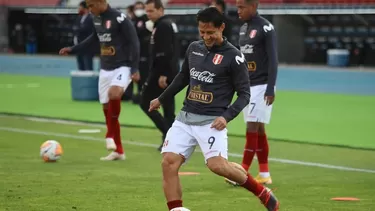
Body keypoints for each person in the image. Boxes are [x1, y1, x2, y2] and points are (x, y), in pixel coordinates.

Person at [148, 7, 279, 211]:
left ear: (222, 28)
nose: (206, 37)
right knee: (168, 163)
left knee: (218, 166)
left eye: (211, 32)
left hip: (211, 122)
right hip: (185, 119)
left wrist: (226, 117)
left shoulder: (234, 57)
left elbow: (244, 94)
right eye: (202, 32)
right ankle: (176, 209)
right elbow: (183, 78)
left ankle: (262, 192)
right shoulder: (193, 48)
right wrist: (161, 99)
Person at [59, 0, 140, 161]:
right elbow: (93, 39)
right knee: (106, 107)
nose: (89, 9)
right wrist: (73, 49)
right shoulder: (96, 18)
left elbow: (134, 42)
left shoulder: (120, 18)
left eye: (91, 6)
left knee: (114, 94)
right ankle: (119, 151)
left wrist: (135, 68)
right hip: (105, 68)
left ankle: (109, 133)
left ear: (101, 2)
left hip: (122, 66)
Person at [236, 0, 279, 185]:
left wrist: (270, 88)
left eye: (242, 7)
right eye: (237, 7)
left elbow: (273, 60)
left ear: (253, 6)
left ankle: (242, 173)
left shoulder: (266, 28)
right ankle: (264, 173)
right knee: (259, 128)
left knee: (251, 127)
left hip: (262, 86)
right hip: (248, 85)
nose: (238, 11)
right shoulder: (243, 28)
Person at [141, 0, 179, 151]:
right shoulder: (168, 24)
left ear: (160, 10)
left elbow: (165, 52)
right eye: (147, 11)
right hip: (171, 70)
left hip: (162, 72)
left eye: (151, 11)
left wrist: (163, 73)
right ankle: (170, 140)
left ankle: (169, 134)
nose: (148, 14)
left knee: (146, 103)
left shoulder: (163, 25)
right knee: (168, 108)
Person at [131, 1, 152, 104]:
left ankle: (144, 94)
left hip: (145, 52)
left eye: (140, 8)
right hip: (135, 53)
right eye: (136, 8)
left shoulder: (147, 21)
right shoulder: (132, 21)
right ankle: (137, 94)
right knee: (135, 74)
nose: (138, 10)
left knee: (145, 74)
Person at [73, 1, 95, 71]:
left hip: (87, 47)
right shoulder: (79, 18)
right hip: (78, 46)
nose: (79, 9)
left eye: (80, 8)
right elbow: (75, 28)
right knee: (80, 66)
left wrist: (79, 29)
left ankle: (89, 81)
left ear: (85, 8)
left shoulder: (91, 18)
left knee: (88, 66)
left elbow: (87, 30)